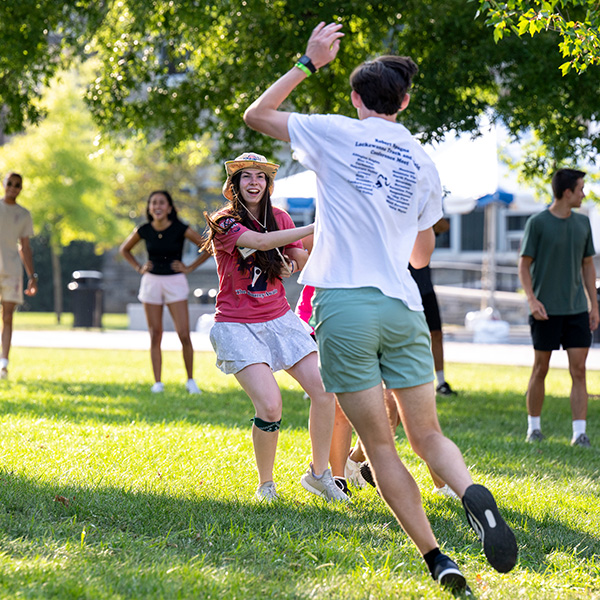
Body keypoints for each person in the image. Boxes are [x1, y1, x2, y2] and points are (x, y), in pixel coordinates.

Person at [244, 21, 517, 593]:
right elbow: (422, 253)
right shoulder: (422, 158)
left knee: (380, 447)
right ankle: (470, 493)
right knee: (428, 436)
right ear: (407, 100)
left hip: (344, 306)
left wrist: (308, 60)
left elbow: (257, 115)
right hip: (403, 307)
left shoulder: (335, 132)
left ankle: (437, 558)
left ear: (356, 98)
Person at [202, 152, 349, 503]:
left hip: (279, 318)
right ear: (234, 184)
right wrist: (319, 225)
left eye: (260, 176)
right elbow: (262, 243)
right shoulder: (224, 222)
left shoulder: (280, 217)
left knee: (325, 389)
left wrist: (291, 266)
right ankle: (266, 485)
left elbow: (299, 256)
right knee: (270, 406)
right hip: (237, 324)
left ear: (268, 184)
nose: (254, 182)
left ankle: (318, 475)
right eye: (246, 176)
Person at [518, 168, 598, 447]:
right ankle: (534, 429)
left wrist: (594, 306)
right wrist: (532, 300)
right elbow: (524, 265)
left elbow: (588, 265)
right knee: (541, 368)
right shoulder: (537, 223)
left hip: (576, 309)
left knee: (579, 370)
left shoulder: (583, 223)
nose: (584, 193)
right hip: (545, 310)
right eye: (580, 188)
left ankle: (579, 433)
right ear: (567, 192)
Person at [120, 190, 208, 394]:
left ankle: (190, 380)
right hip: (151, 282)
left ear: (169, 207)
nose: (157, 206)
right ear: (150, 208)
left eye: (161, 203)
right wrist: (139, 267)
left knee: (184, 333)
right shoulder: (144, 229)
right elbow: (124, 249)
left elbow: (207, 247)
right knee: (155, 334)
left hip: (175, 281)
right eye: (153, 203)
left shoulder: (180, 228)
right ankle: (157, 383)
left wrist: (189, 267)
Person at [408, 217, 456, 396]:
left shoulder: (423, 219)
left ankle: (441, 382)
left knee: (436, 333)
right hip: (405, 290)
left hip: (426, 289)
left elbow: (444, 225)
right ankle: (414, 382)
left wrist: (423, 213)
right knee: (410, 337)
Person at [0, 172, 38, 380]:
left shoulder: (23, 215)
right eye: (10, 183)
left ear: (21, 188)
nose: (13, 187)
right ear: (4, 184)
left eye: (17, 185)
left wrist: (32, 275)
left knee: (7, 317)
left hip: (12, 270)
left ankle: (3, 364)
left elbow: (25, 247)